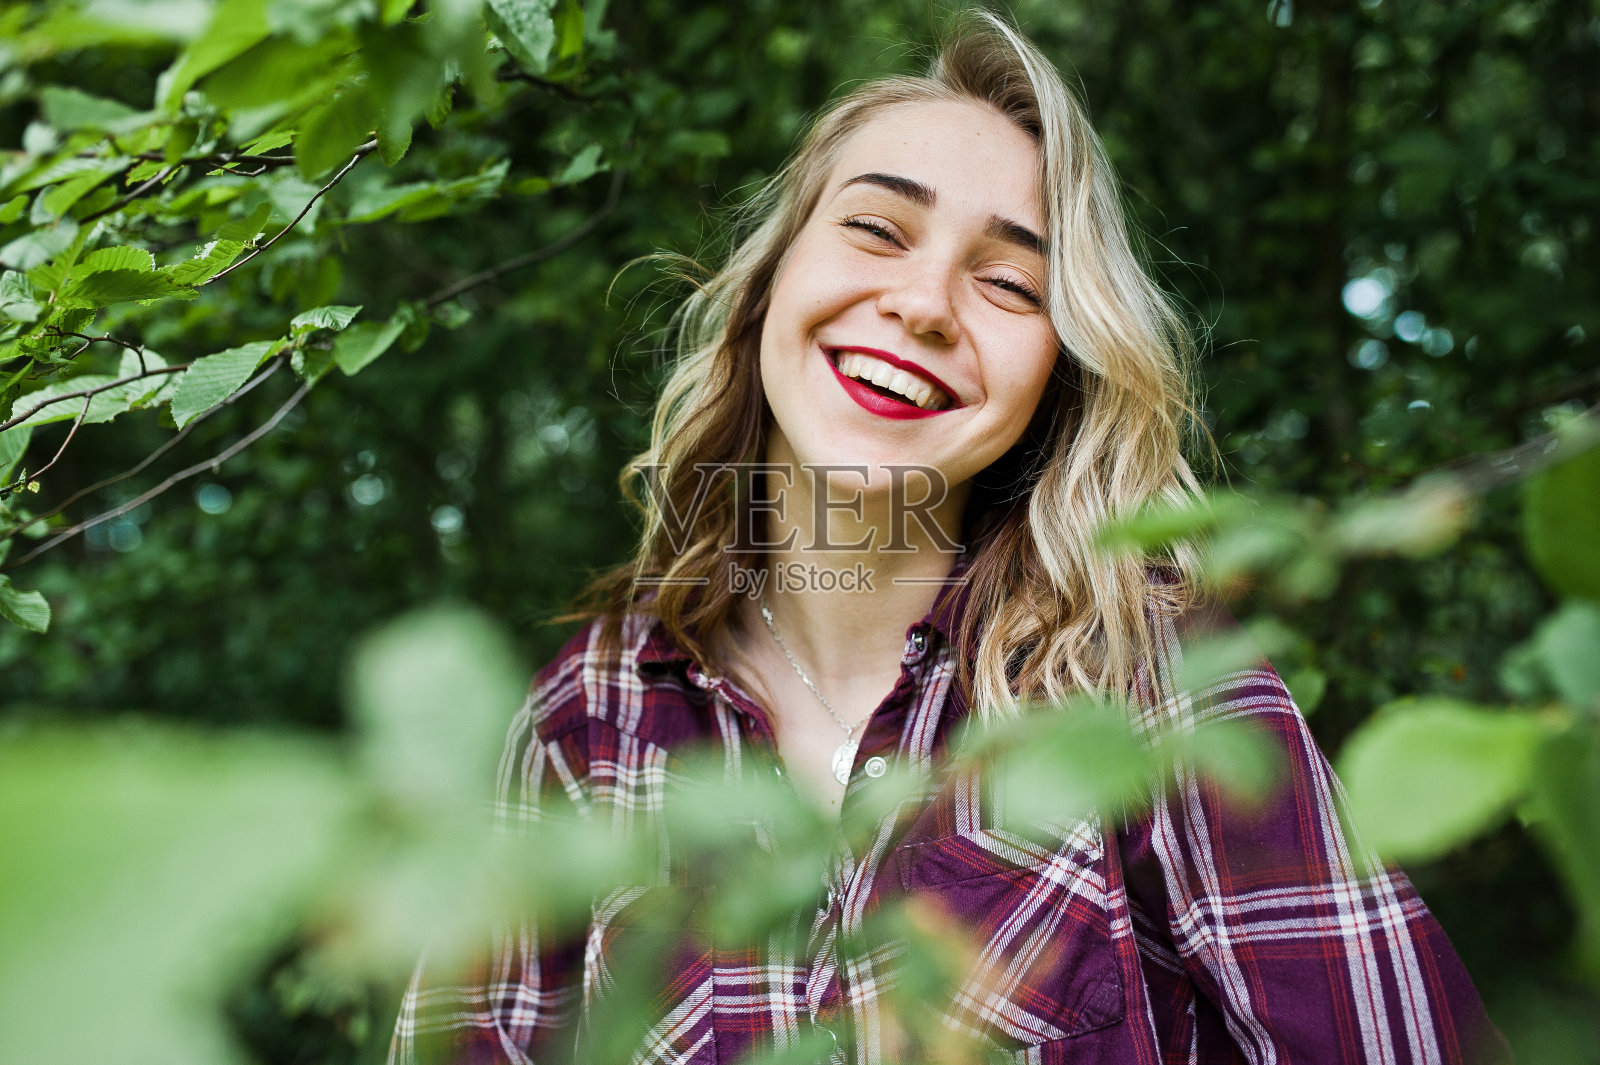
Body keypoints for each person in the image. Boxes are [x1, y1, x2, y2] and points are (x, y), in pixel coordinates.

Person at [391, 11, 1506, 1064]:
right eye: (876, 227)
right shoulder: (586, 719)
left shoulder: (1154, 681)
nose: (924, 304)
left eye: (1010, 282)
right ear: (771, 280)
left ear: (1057, 376)